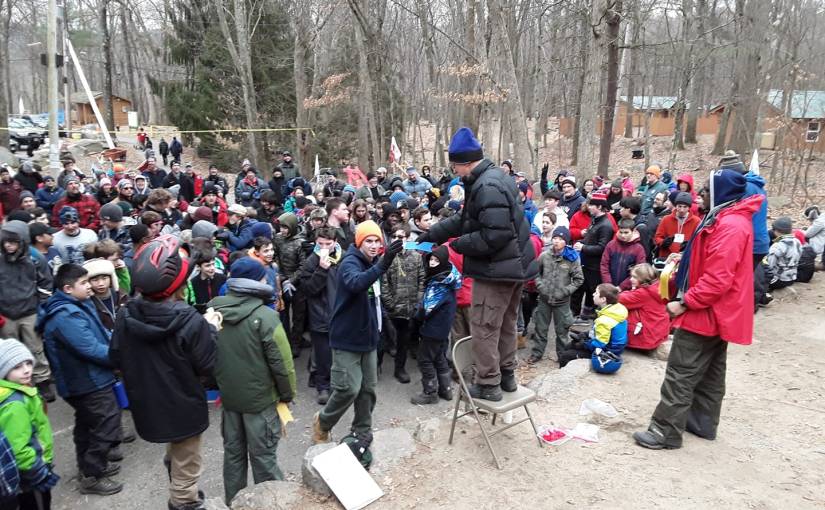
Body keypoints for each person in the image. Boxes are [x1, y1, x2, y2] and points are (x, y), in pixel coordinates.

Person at [633, 168, 763, 450]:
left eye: (705, 189)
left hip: (706, 311)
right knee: (710, 371)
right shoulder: (727, 217)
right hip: (718, 311)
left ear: (721, 193)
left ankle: (664, 431)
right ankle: (702, 422)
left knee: (681, 370)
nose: (699, 194)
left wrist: (684, 303)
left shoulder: (730, 225)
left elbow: (718, 279)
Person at [419, 127, 537, 402]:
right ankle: (507, 375)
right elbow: (466, 220)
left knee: (484, 326)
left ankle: (488, 383)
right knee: (506, 323)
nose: (454, 171)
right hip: (514, 266)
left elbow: (493, 236)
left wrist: (456, 245)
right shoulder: (492, 178)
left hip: (497, 269)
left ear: (465, 162)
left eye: (454, 165)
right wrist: (434, 234)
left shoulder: (485, 186)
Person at [111, 235, 217, 509]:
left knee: (177, 453)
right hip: (183, 404)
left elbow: (115, 357)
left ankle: (176, 478)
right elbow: (209, 367)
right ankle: (183, 501)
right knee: (188, 461)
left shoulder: (125, 314)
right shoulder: (191, 321)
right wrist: (213, 330)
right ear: (178, 284)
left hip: (146, 402)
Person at [208, 258, 295, 504]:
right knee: (264, 460)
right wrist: (287, 395)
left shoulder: (213, 311)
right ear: (255, 282)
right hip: (261, 402)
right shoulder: (266, 317)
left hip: (230, 400)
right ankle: (271, 503)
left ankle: (233, 503)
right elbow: (283, 365)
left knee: (233, 457)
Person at [311, 221, 404, 444]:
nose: (373, 246)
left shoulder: (371, 262)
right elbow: (355, 283)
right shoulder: (350, 262)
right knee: (347, 388)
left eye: (377, 241)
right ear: (359, 242)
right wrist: (383, 263)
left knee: (368, 389)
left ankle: (362, 429)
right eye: (368, 241)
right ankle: (322, 423)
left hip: (368, 337)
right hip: (346, 337)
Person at [37, 264, 123, 496]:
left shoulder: (78, 304)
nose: (91, 286)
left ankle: (89, 467)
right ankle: (92, 475)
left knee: (87, 424)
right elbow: (90, 349)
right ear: (67, 288)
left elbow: (99, 334)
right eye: (84, 283)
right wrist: (120, 357)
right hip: (85, 381)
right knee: (107, 421)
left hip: (89, 378)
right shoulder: (65, 315)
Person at [0, 339, 59, 509]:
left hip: (33, 468)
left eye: (28, 363)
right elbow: (18, 447)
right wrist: (38, 473)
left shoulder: (20, 389)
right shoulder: (14, 404)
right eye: (17, 367)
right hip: (31, 474)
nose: (26, 370)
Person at [0, 221, 54, 402]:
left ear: (22, 241)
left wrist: (42, 307)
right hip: (5, 314)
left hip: (30, 312)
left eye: (13, 242)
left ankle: (42, 380)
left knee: (35, 348)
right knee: (10, 352)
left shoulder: (35, 258)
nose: (8, 245)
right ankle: (16, 385)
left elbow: (46, 284)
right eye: (5, 241)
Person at [295, 227, 343, 404]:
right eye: (320, 244)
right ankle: (322, 386)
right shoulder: (311, 261)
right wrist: (321, 270)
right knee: (323, 355)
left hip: (339, 314)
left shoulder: (342, 258)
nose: (324, 247)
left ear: (335, 243)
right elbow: (308, 289)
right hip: (320, 316)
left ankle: (337, 384)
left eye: (328, 244)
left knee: (339, 354)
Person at [410, 245, 460, 404]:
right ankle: (446, 390)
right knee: (439, 358)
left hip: (433, 329)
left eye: (436, 260)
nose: (432, 263)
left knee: (424, 359)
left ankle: (430, 392)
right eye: (431, 259)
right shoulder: (448, 277)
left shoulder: (438, 284)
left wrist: (416, 315)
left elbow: (426, 310)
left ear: (443, 261)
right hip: (443, 328)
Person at [529, 227, 583, 364]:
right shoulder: (544, 256)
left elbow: (578, 279)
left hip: (562, 302)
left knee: (562, 331)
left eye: (560, 239)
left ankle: (562, 356)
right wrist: (540, 286)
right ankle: (536, 353)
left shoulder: (571, 258)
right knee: (540, 328)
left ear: (566, 242)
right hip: (544, 299)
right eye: (555, 238)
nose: (557, 241)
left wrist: (565, 291)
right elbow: (535, 272)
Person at [380, 225, 424, 383]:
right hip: (392, 307)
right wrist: (389, 303)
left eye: (402, 237)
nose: (399, 240)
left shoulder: (416, 257)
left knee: (403, 341)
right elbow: (384, 283)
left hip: (409, 307)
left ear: (407, 238)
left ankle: (400, 368)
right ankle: (377, 366)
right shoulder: (386, 257)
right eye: (396, 237)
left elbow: (421, 280)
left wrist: (418, 301)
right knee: (385, 337)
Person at [558, 283, 628, 372]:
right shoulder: (616, 309)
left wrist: (583, 344)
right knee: (570, 345)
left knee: (566, 356)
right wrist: (584, 335)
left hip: (608, 350)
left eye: (596, 293)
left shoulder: (604, 320)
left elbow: (600, 344)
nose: (593, 294)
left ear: (603, 299)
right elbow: (601, 332)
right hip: (615, 347)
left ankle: (564, 374)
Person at [573, 191, 614, 319]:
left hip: (594, 267)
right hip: (586, 264)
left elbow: (602, 247)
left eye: (591, 205)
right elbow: (591, 239)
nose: (588, 207)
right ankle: (576, 315)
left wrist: (583, 247)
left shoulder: (606, 225)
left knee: (592, 292)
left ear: (600, 207)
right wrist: (582, 242)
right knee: (579, 290)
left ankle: (592, 317)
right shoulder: (595, 220)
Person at [618, 263, 669, 350]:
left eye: (634, 277)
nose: (631, 279)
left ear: (643, 278)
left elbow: (620, 299)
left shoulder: (643, 293)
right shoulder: (657, 287)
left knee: (616, 309)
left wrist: (628, 291)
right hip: (657, 332)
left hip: (646, 337)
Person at [601, 219, 647, 290]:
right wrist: (608, 283)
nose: (623, 235)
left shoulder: (639, 249)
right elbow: (604, 265)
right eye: (621, 232)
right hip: (609, 286)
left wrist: (622, 287)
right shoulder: (611, 245)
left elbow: (639, 271)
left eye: (626, 232)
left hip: (628, 288)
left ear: (633, 231)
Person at [653, 192, 700, 260]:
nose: (681, 210)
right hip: (666, 257)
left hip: (684, 258)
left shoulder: (696, 221)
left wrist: (690, 245)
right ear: (675, 206)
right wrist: (663, 242)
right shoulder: (666, 219)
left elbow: (698, 241)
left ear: (689, 207)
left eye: (685, 207)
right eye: (679, 206)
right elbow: (657, 237)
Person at [766, 217, 802, 291]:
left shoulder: (777, 245)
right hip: (792, 278)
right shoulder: (797, 242)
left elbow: (769, 266)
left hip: (778, 280)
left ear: (776, 230)